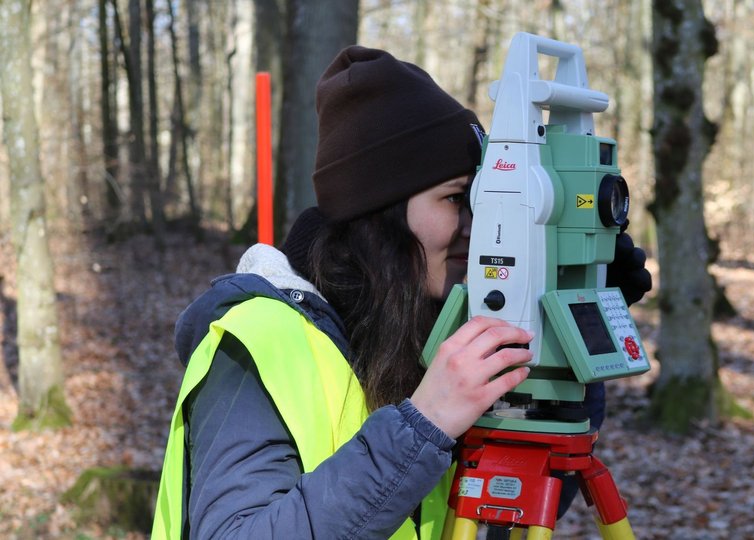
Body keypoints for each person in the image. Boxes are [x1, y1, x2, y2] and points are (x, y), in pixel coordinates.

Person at [152, 46, 652, 539]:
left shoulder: (421, 325)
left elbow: (515, 507)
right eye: (458, 198)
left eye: (488, 201)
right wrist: (422, 425)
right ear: (378, 213)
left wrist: (562, 338)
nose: (481, 230)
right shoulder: (259, 342)